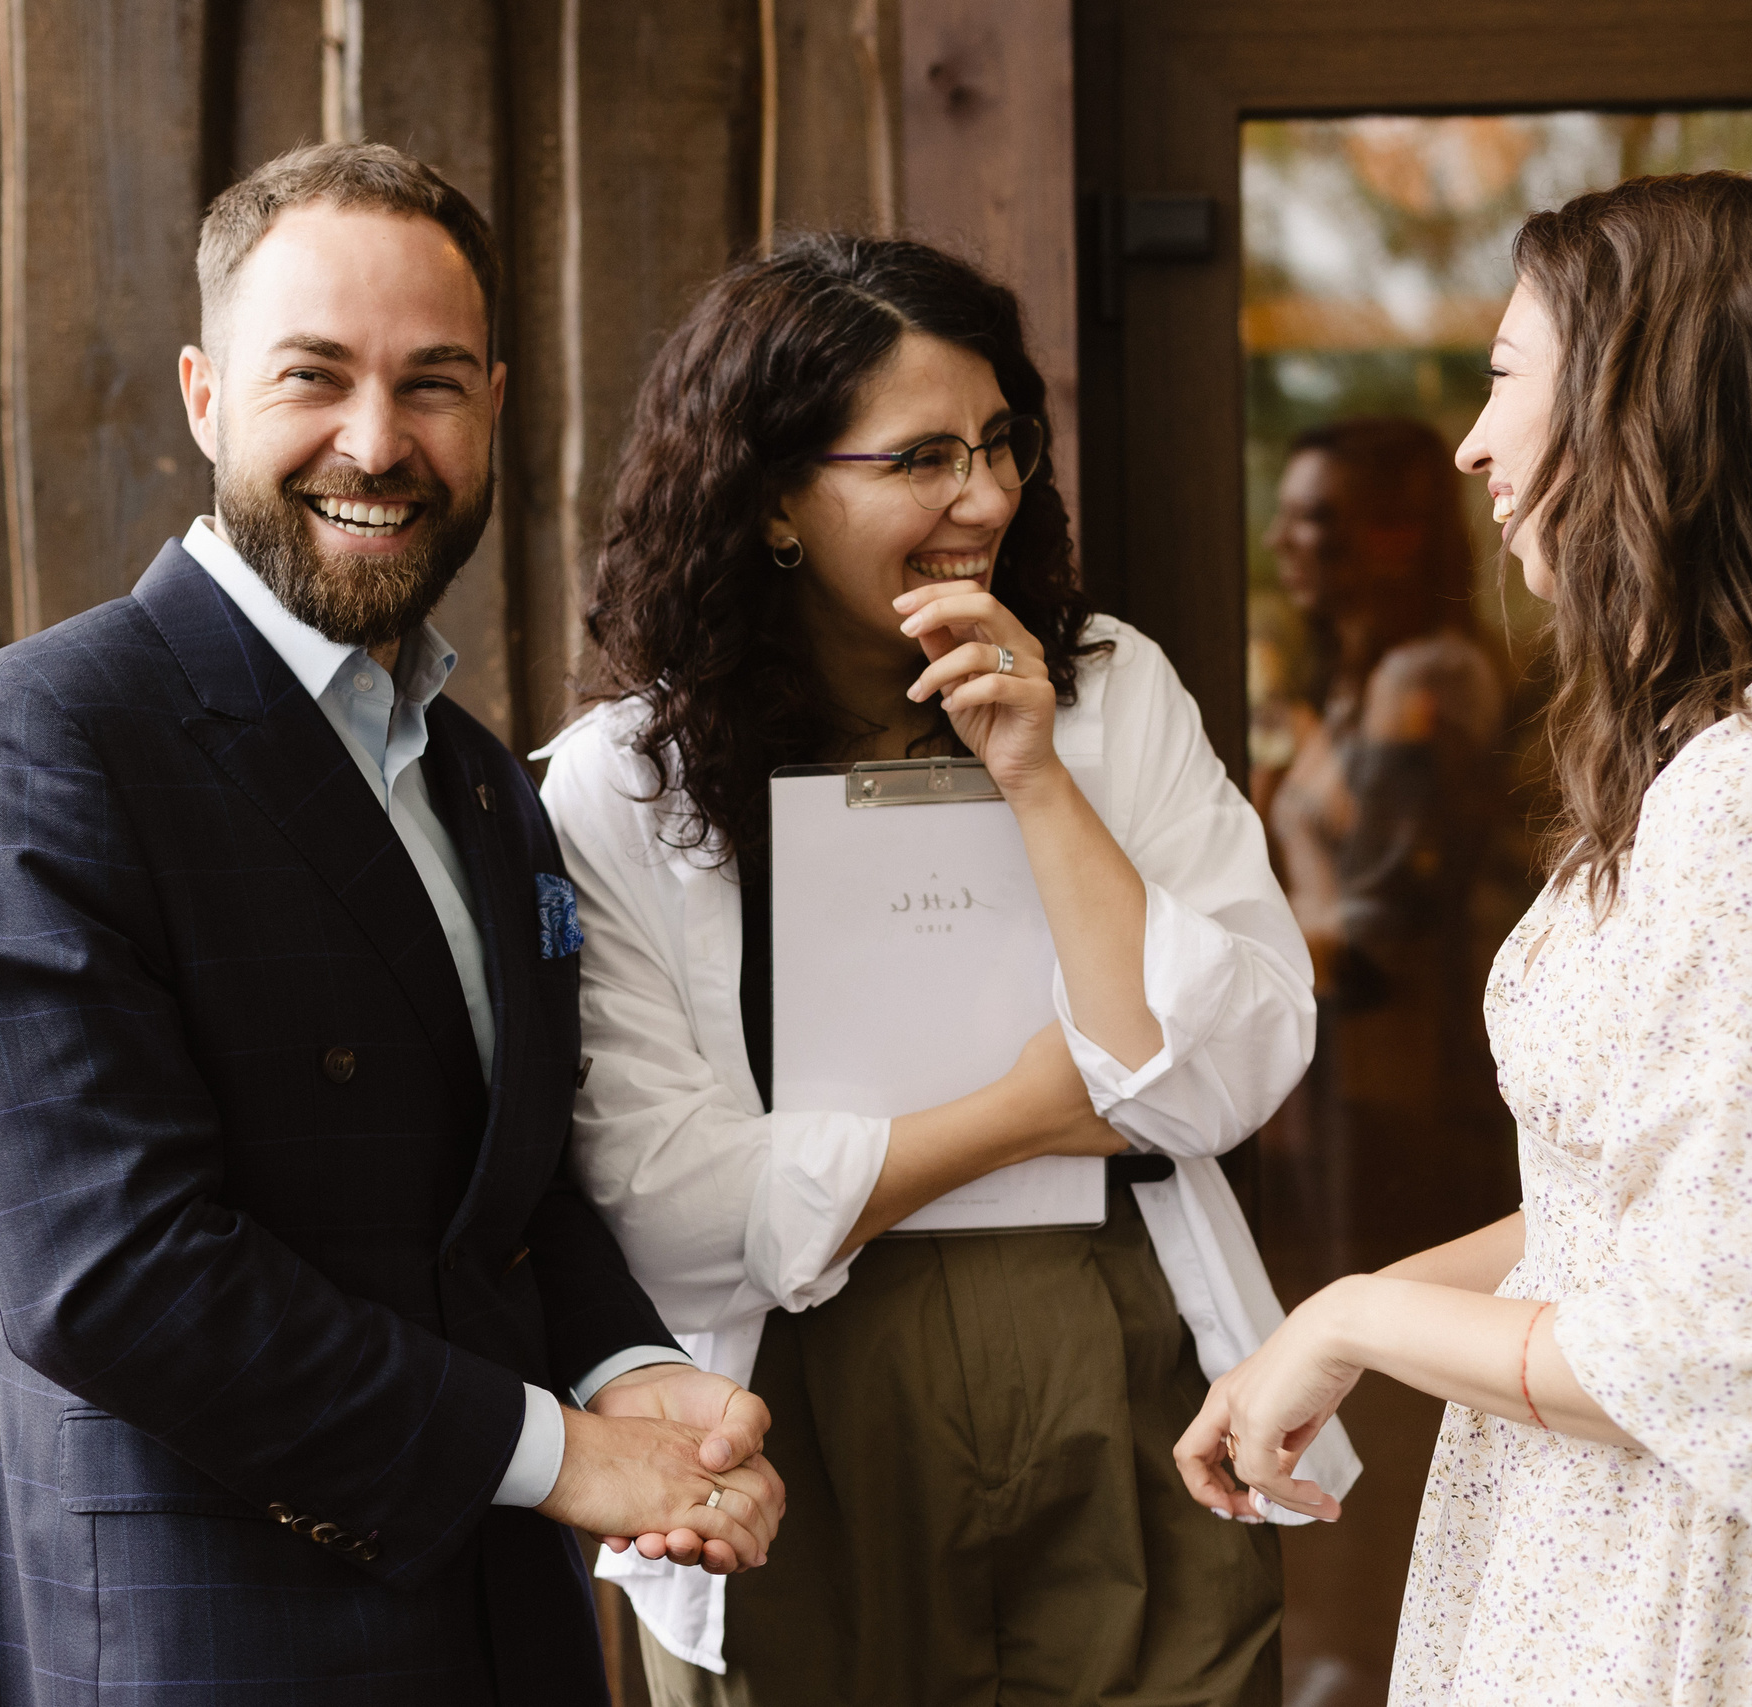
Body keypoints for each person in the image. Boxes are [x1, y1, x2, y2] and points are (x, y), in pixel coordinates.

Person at [1176, 172, 1752, 1703]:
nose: (1473, 440)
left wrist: (1347, 1311)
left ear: (1647, 415)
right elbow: (1618, 1215)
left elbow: (1719, 1341)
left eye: (1501, 380)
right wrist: (1334, 1329)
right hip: (1610, 1515)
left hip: (1688, 1558)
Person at [0, 142, 783, 1707]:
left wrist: (639, 1381)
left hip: (495, 1623)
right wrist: (566, 1451)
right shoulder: (42, 734)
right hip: (190, 1635)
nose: (378, 442)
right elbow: (112, 1272)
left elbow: (501, 1190)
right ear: (203, 393)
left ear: (495, 407)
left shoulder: (486, 779)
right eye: (316, 375)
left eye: (433, 383)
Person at [539, 233, 1352, 1706]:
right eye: (921, 456)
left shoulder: (1109, 688)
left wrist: (1039, 774)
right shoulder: (622, 782)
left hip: (1126, 1378)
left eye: (998, 444)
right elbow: (657, 1195)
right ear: (774, 494)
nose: (983, 496)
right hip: (789, 1427)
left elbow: (1237, 1065)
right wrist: (1036, 1105)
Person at [1251, 418, 1513, 1277]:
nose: (1279, 538)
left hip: (1405, 1074)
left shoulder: (1426, 680)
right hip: (1351, 1066)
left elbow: (1383, 919)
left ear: (1396, 535)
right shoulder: (1355, 683)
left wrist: (1223, 950)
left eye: (1314, 517)